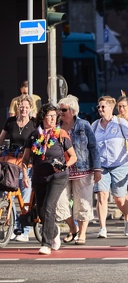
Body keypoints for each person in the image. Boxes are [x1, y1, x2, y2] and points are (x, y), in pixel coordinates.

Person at [21, 103, 77, 255]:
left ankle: (46, 243)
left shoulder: (61, 134)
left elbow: (73, 157)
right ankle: (54, 231)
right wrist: (25, 175)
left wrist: (64, 166)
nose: (53, 119)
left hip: (58, 176)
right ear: (42, 117)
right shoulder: (33, 136)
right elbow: (25, 160)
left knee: (49, 206)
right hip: (39, 177)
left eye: (54, 116)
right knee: (40, 212)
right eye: (49, 116)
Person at [92, 96, 128, 238]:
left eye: (103, 107)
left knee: (119, 199)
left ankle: (127, 215)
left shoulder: (120, 123)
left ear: (111, 108)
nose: (100, 109)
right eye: (99, 107)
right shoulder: (95, 125)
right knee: (102, 195)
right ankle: (102, 228)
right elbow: (89, 145)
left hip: (120, 164)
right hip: (101, 165)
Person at [56, 95, 102, 244]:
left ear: (73, 110)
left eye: (63, 110)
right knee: (59, 202)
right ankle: (72, 228)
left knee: (83, 202)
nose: (60, 113)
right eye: (59, 110)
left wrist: (97, 169)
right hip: (61, 170)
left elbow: (93, 147)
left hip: (83, 169)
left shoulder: (84, 125)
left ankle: (82, 234)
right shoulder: (56, 127)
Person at [0, 94, 36, 242]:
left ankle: (25, 230)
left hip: (28, 164)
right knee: (11, 195)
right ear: (18, 107)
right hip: (12, 163)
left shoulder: (34, 123)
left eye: (27, 107)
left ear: (30, 109)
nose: (24, 109)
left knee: (25, 196)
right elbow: (1, 138)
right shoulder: (11, 122)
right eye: (22, 107)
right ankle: (14, 227)